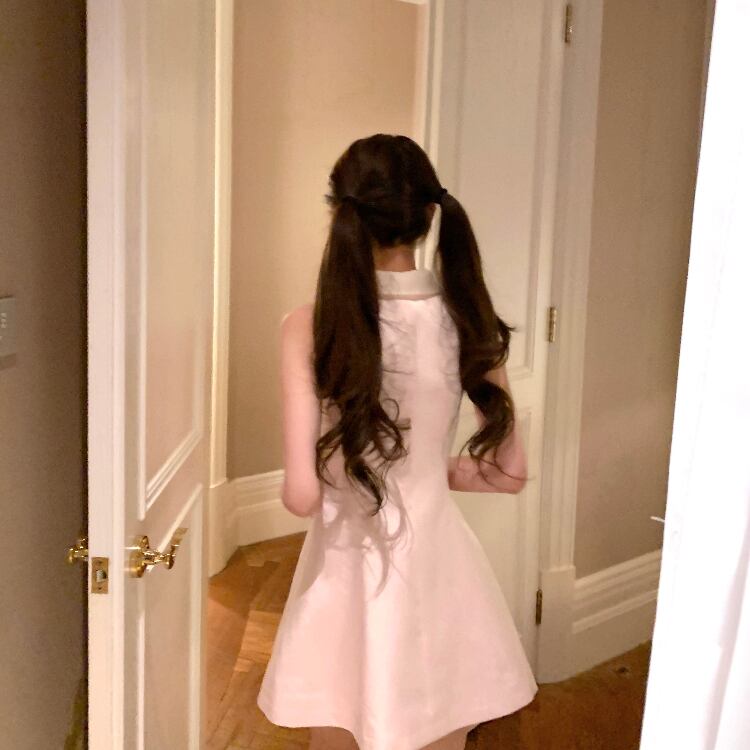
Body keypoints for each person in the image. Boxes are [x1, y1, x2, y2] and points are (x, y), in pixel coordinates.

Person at [256, 134, 538, 750]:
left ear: (340, 213)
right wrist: (429, 468)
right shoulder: (467, 318)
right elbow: (510, 473)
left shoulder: (309, 326)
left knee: (341, 720)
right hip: (439, 568)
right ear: (431, 215)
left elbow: (303, 496)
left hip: (347, 573)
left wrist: (364, 469)